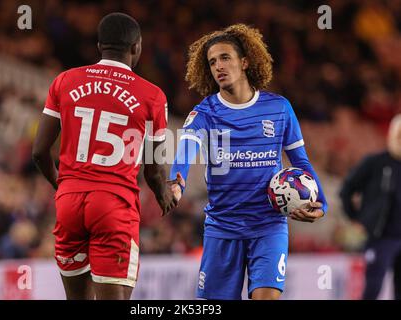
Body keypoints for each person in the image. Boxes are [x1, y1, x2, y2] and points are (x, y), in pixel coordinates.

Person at [168, 24, 327, 300]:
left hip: (268, 225)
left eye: (225, 57)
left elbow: (301, 161)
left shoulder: (279, 108)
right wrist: (177, 182)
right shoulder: (205, 112)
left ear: (245, 62)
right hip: (222, 227)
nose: (218, 66)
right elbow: (185, 149)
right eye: (212, 61)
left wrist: (322, 204)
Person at [32, 12, 180, 300]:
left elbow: (39, 152)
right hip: (114, 205)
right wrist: (164, 193)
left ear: (100, 46)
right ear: (136, 47)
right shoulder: (152, 96)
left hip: (69, 202)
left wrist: (62, 186)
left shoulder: (65, 80)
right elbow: (153, 170)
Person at [340, 114, 401, 300]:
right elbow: (347, 190)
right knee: (373, 287)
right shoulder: (375, 163)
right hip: (380, 238)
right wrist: (357, 219)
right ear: (392, 135)